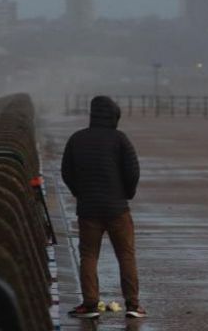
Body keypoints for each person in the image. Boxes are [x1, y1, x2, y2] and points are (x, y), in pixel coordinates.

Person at [62, 95, 146, 319]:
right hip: (117, 208)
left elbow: (66, 172)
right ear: (114, 116)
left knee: (89, 255)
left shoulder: (77, 139)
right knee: (126, 255)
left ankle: (90, 304)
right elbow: (132, 172)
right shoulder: (120, 140)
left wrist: (80, 193)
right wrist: (126, 194)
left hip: (88, 209)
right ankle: (133, 305)